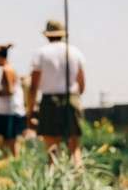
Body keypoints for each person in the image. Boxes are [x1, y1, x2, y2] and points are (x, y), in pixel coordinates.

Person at [26, 20, 86, 168]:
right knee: (75, 149)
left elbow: (33, 86)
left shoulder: (41, 54)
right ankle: (80, 184)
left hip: (49, 101)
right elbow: (82, 84)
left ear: (47, 35)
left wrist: (30, 110)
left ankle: (54, 185)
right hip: (71, 98)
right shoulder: (75, 52)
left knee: (52, 150)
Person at [0, 44, 26, 157]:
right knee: (5, 140)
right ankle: (9, 163)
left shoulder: (7, 70)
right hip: (9, 110)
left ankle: (12, 164)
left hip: (10, 110)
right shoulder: (9, 69)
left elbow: (10, 90)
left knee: (9, 141)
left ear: (0, 57)